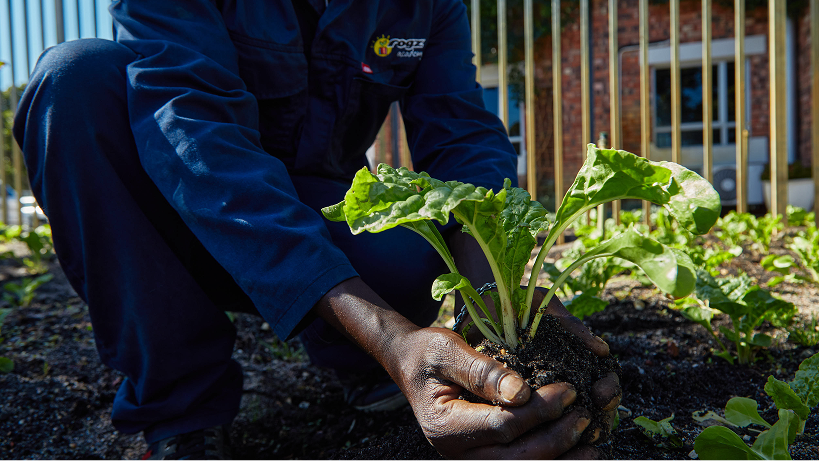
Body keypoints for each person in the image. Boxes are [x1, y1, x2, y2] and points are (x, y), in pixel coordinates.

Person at [13, 0, 621, 460]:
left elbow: (461, 134)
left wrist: (498, 291)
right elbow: (194, 136)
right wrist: (390, 336)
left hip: (321, 215)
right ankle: (181, 410)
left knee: (417, 249)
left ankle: (358, 359)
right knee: (75, 81)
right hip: (179, 204)